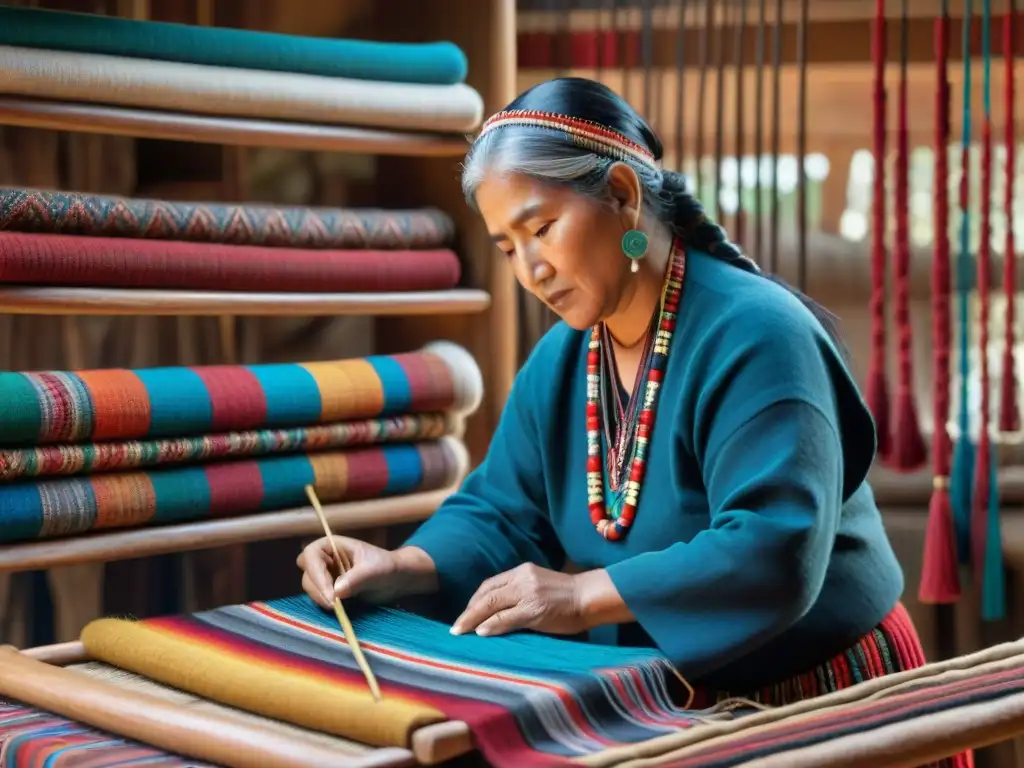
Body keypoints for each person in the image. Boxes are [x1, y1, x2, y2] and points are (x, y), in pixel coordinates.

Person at [298, 76, 969, 766]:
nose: (530, 269)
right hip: (668, 709)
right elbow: (501, 509)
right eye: (507, 247)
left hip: (825, 703)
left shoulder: (760, 336)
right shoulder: (564, 361)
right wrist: (402, 563)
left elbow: (774, 546)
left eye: (543, 227)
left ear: (621, 195)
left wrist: (582, 594)